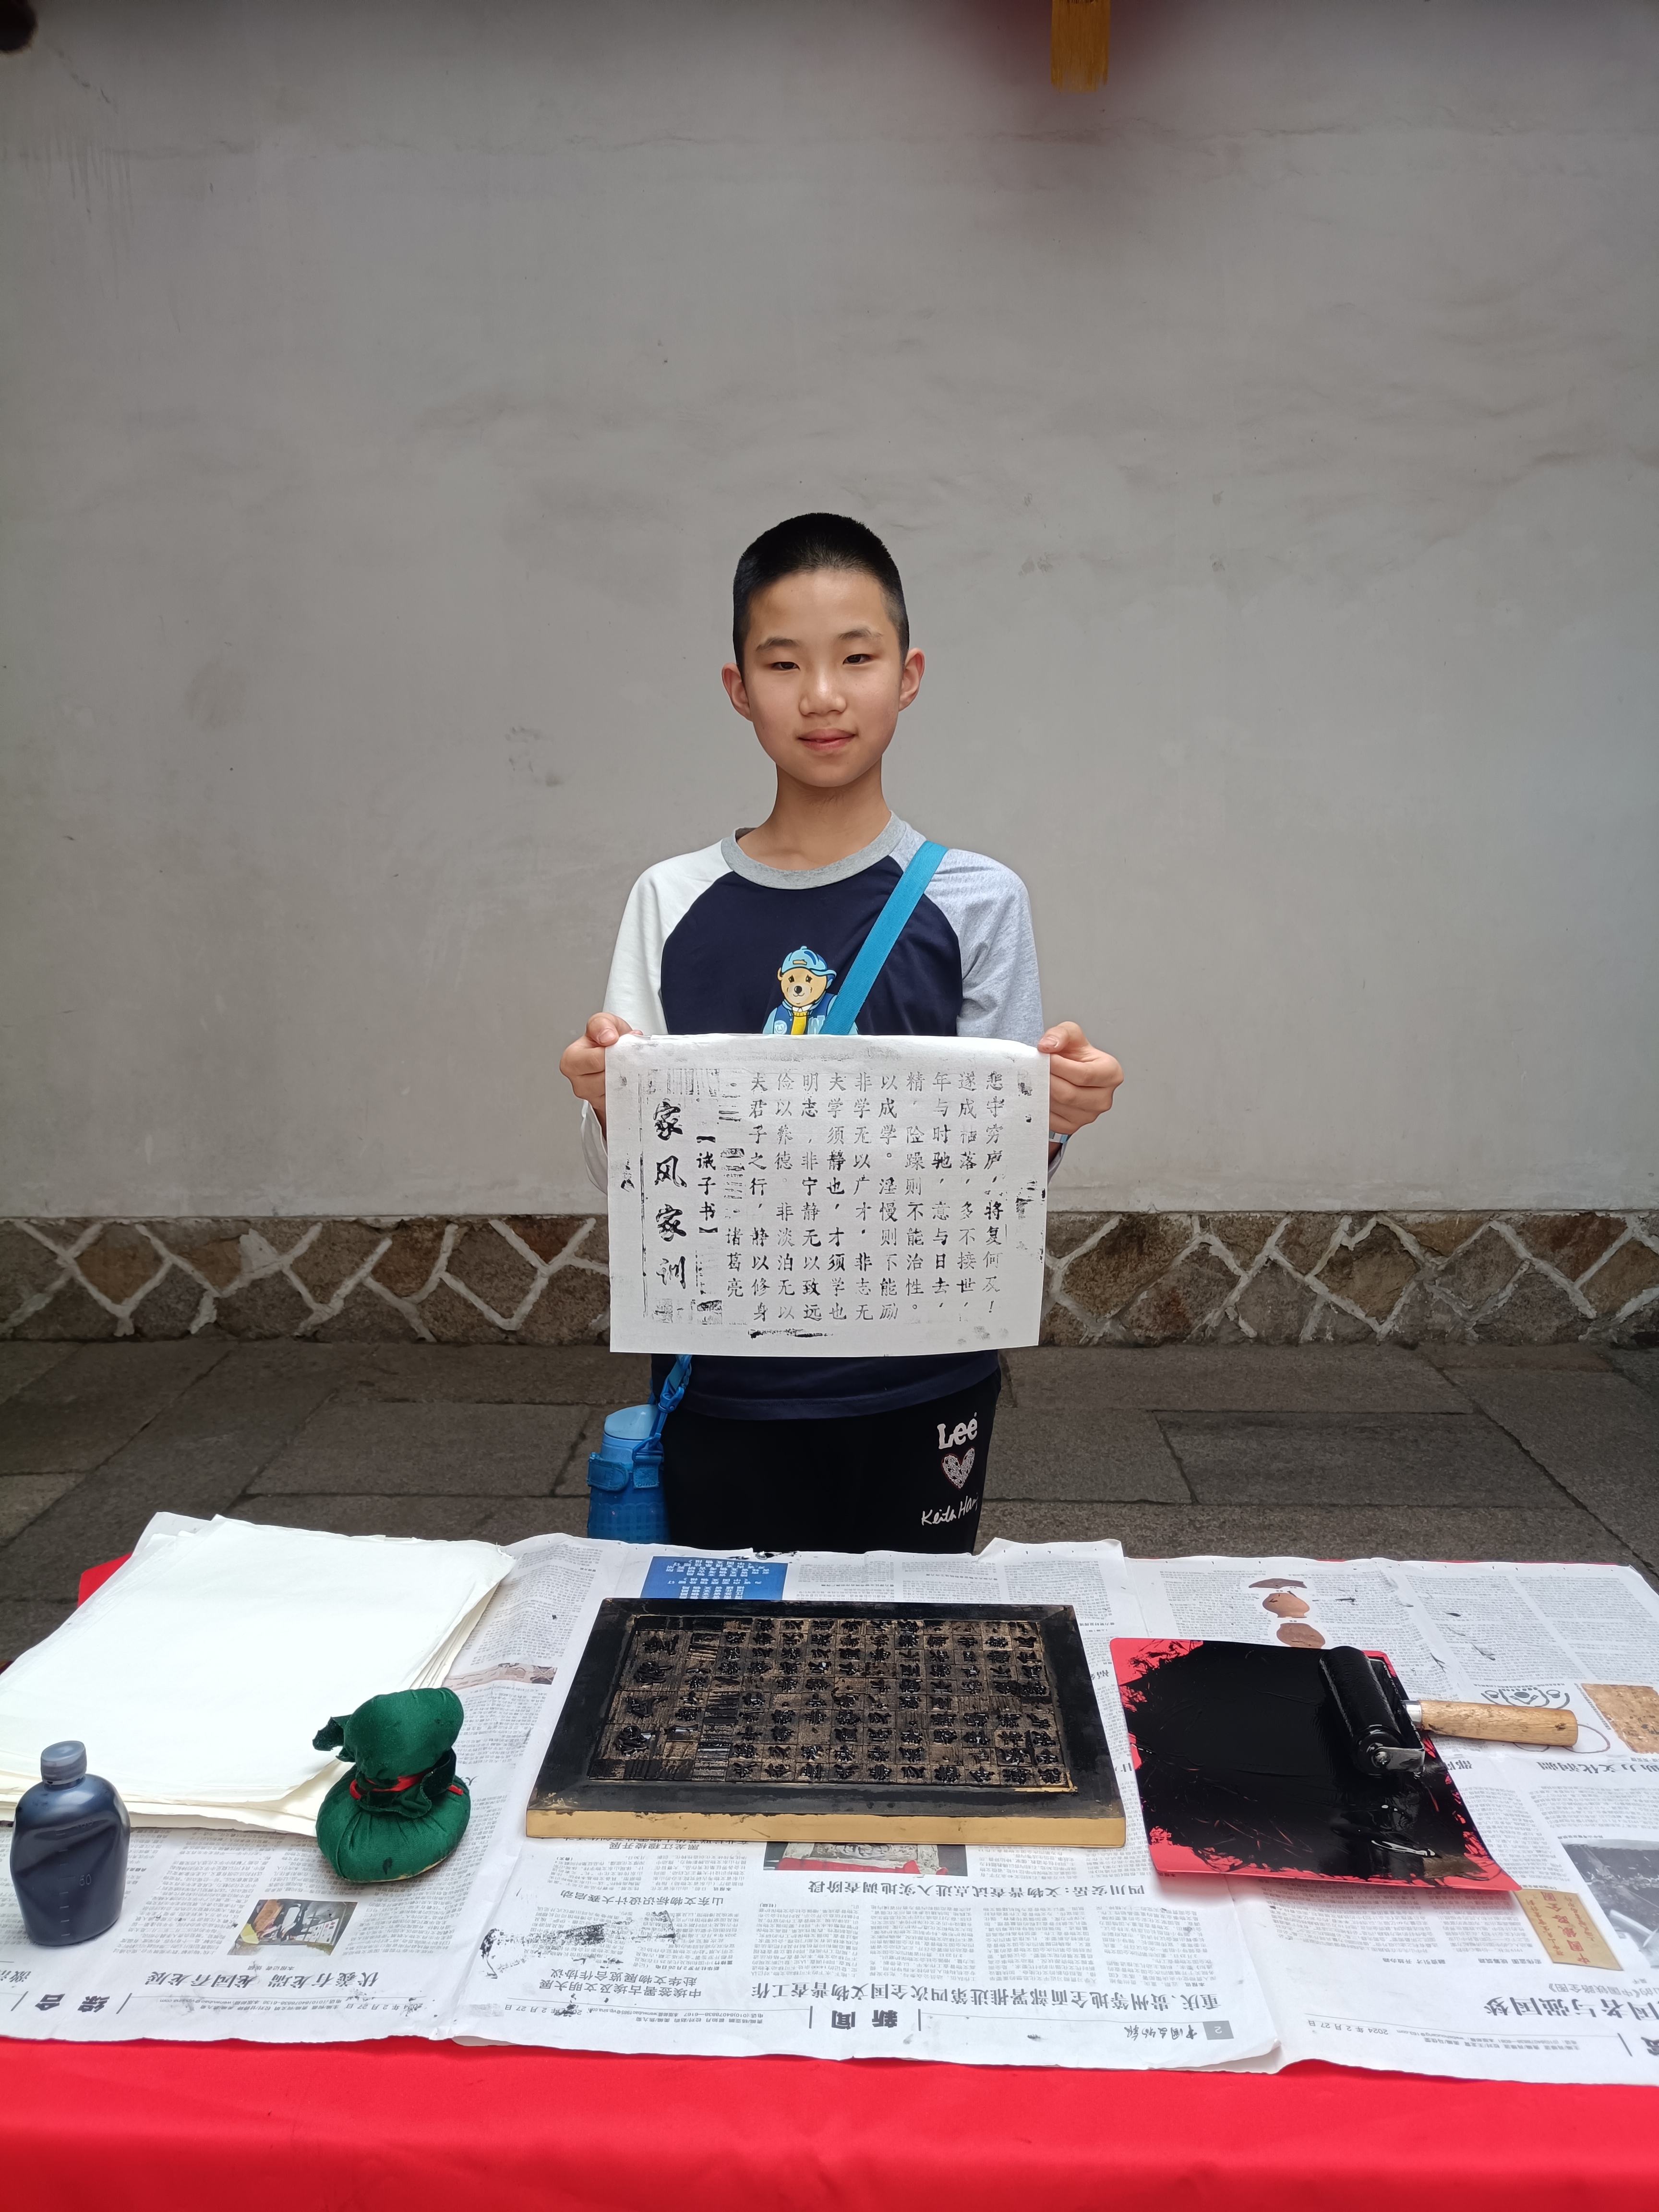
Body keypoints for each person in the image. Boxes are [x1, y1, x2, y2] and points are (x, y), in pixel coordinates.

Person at [559, 513, 1122, 1554]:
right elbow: (629, 1180)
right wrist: (604, 1099)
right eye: (784, 663)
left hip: (928, 1375)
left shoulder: (978, 899)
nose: (822, 694)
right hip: (723, 1380)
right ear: (738, 687)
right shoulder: (670, 900)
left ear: (908, 677)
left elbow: (1003, 1176)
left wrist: (1056, 1115)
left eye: (856, 658)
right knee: (734, 1647)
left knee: (912, 1636)